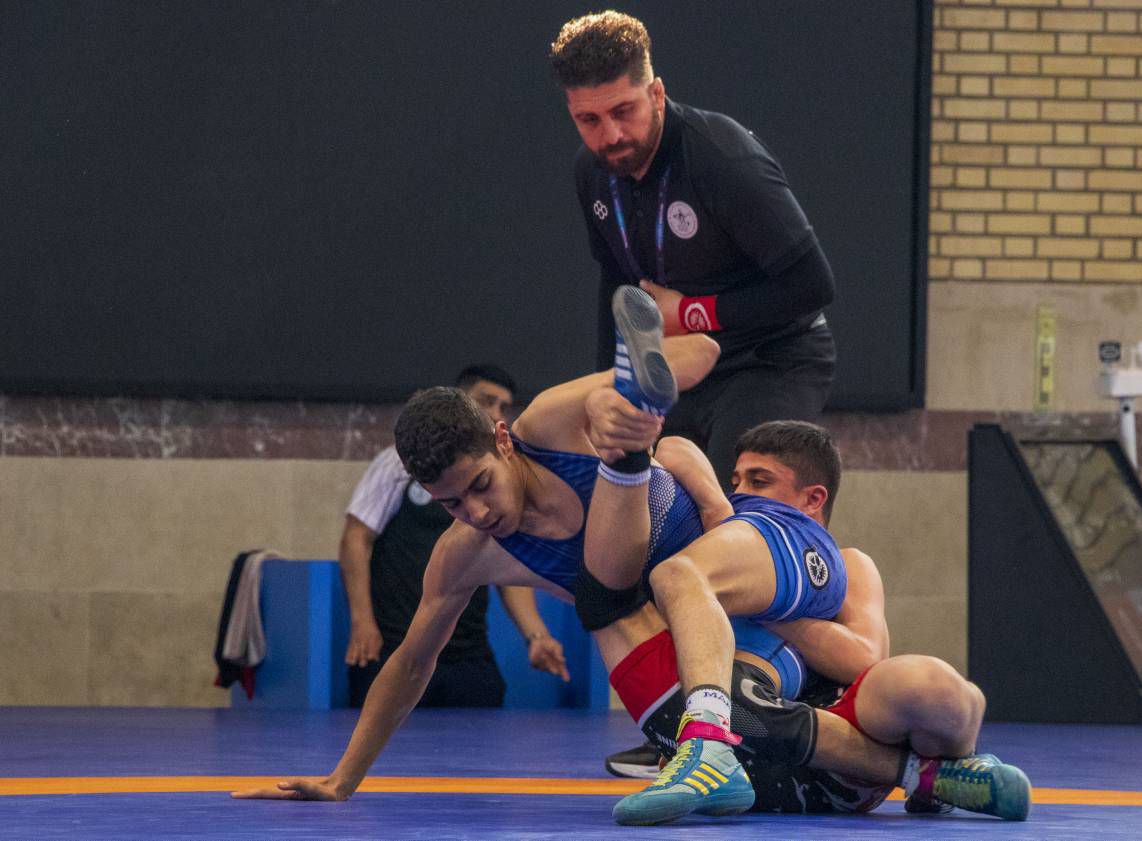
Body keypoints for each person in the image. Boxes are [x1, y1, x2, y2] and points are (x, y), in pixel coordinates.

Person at [232, 331, 1030, 823]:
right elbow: (411, 662)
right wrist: (343, 777)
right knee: (612, 596)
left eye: (478, 486)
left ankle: (630, 450)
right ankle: (922, 774)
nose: (474, 513)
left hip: (749, 588)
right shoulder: (466, 552)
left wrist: (635, 396)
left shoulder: (551, 421)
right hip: (722, 673)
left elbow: (700, 353)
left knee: (926, 688)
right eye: (449, 504)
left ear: (503, 441)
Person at [550, 10, 837, 487]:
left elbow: (813, 286)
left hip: (770, 358)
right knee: (647, 502)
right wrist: (611, 384)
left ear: (656, 94)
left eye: (624, 111)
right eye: (589, 120)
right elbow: (615, 284)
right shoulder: (592, 172)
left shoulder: (721, 158)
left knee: (736, 500)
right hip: (678, 365)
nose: (611, 136)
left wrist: (690, 314)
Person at [338, 364, 568, 708]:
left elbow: (511, 568)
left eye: (503, 406)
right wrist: (362, 623)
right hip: (398, 644)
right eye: (486, 401)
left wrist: (536, 635)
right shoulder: (398, 467)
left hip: (467, 655)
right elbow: (356, 538)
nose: (476, 512)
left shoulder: (507, 480)